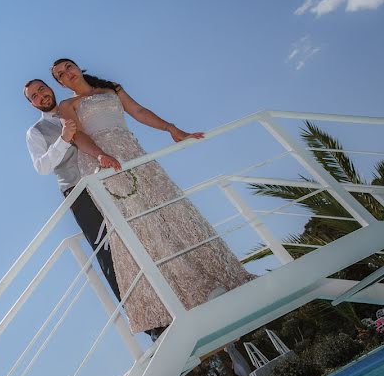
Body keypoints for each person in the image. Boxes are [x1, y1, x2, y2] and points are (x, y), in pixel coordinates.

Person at [51, 58, 254, 336]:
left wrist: (171, 128)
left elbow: (138, 111)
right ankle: (186, 294)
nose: (67, 74)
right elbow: (78, 138)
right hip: (102, 161)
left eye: (68, 67)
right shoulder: (67, 106)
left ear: (78, 67)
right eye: (60, 75)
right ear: (60, 83)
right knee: (140, 224)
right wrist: (100, 154)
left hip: (132, 151)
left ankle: (212, 279)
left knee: (168, 209)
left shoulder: (111, 89)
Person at [24, 78, 121, 300]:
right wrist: (63, 139)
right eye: (34, 97)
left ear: (49, 87)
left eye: (42, 90)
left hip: (107, 179)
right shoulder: (35, 132)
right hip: (78, 192)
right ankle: (152, 326)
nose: (41, 96)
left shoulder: (76, 107)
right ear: (32, 104)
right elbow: (42, 167)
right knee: (107, 251)